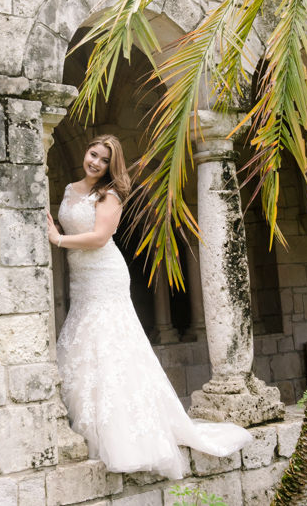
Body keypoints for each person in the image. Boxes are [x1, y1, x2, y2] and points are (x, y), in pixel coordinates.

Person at [47, 134, 252, 479]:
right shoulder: (69, 189)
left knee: (109, 341)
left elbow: (99, 237)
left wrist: (59, 240)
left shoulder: (109, 195)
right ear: (86, 153)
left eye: (103, 161)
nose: (95, 162)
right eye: (93, 154)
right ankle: (86, 423)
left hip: (104, 273)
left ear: (111, 167)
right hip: (79, 276)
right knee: (83, 340)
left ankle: (124, 435)